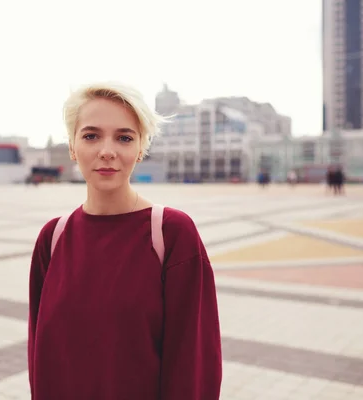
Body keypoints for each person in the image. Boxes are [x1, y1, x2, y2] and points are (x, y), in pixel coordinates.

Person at [27, 82, 222, 400]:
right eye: (91, 135)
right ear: (73, 147)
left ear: (141, 148)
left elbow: (194, 365)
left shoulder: (171, 234)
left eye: (124, 137)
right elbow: (40, 358)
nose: (107, 150)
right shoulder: (53, 238)